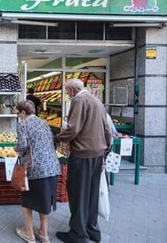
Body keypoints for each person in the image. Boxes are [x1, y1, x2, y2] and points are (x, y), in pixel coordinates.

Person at [55, 79, 111, 243]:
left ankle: (78, 235)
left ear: (72, 90)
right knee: (92, 194)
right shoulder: (97, 101)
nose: (68, 95)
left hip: (82, 155)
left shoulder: (79, 100)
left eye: (67, 92)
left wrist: (57, 138)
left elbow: (73, 129)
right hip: (97, 154)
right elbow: (107, 129)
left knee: (78, 193)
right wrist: (104, 152)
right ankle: (93, 231)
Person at [15, 100, 61, 243]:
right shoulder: (44, 122)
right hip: (52, 166)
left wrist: (17, 150)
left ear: (23, 112)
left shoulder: (22, 124)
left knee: (27, 200)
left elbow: (23, 146)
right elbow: (52, 141)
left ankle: (30, 235)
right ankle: (43, 233)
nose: (18, 115)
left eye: (18, 113)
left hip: (35, 168)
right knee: (45, 200)